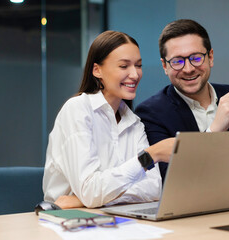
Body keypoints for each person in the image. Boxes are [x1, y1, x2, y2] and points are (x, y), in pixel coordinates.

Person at [42, 30, 175, 209]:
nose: (135, 75)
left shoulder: (134, 122)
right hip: (67, 221)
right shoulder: (77, 110)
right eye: (123, 66)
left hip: (110, 215)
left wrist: (85, 200)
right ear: (97, 70)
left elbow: (153, 189)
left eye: (138, 65)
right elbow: (90, 191)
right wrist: (150, 156)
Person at [135, 19, 229, 184]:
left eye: (196, 58)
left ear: (211, 57)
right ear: (165, 66)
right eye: (177, 61)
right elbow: (171, 181)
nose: (188, 68)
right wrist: (214, 131)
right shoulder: (151, 112)